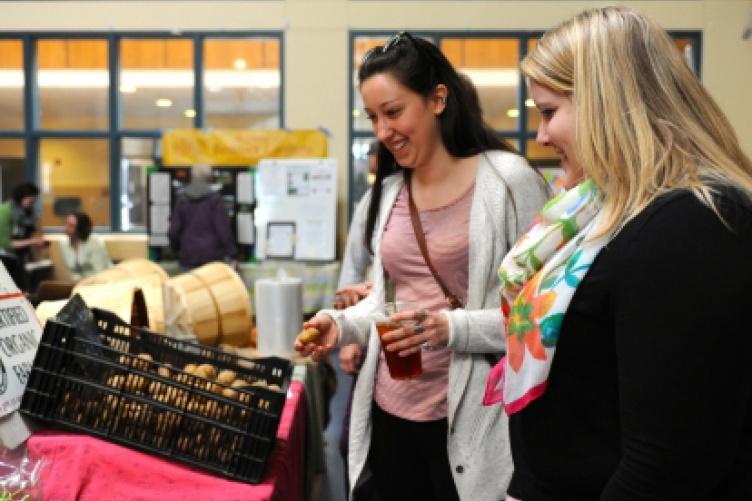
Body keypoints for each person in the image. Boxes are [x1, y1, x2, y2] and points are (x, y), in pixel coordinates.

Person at [482, 6, 752, 500]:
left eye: (549, 111)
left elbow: (667, 467)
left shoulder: (694, 223)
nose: (540, 136)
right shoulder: (599, 211)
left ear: (607, 103)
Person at [295, 31, 550, 501]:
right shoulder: (390, 193)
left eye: (393, 112)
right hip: (390, 408)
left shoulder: (508, 182)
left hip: (474, 415)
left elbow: (542, 317)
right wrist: (341, 324)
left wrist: (447, 328)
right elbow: (383, 298)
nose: (382, 131)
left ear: (437, 99)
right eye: (373, 117)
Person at [168, 165, 237, 271]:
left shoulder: (182, 201)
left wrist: (177, 248)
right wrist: (232, 254)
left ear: (192, 179)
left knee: (189, 287)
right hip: (212, 257)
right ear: (209, 180)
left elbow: (174, 231)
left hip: (188, 255)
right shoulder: (214, 200)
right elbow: (223, 229)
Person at [0, 182, 45, 291]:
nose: (32, 204)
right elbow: (5, 243)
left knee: (27, 289)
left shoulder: (29, 214)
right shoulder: (5, 211)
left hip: (20, 259)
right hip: (5, 259)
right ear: (22, 198)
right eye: (30, 201)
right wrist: (32, 241)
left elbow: (30, 234)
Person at [60, 211, 113, 282]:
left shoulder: (94, 240)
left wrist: (89, 282)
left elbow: (100, 270)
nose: (66, 228)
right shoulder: (63, 244)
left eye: (71, 226)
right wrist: (79, 279)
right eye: (66, 223)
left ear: (80, 228)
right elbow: (72, 271)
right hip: (80, 283)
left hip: (103, 281)